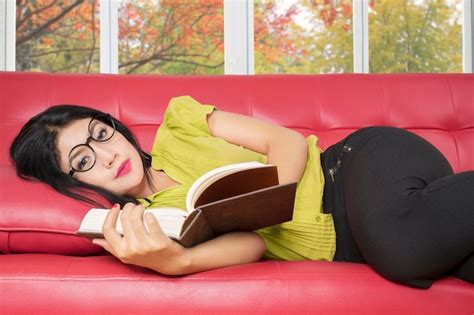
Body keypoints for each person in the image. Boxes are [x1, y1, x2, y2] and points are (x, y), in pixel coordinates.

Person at [9, 96, 473, 289]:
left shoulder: (180, 124)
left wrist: (274, 193)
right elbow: (253, 244)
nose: (108, 155)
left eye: (100, 134)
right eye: (84, 162)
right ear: (75, 184)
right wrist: (177, 261)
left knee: (403, 253)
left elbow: (286, 141)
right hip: (360, 239)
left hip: (356, 168)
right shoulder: (152, 222)